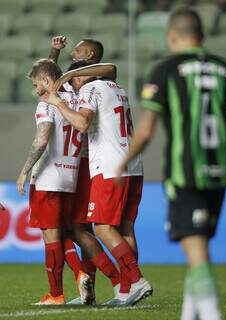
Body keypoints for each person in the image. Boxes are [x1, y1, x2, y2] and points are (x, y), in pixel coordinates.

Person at [116, 7, 226, 320]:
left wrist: (122, 164)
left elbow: (145, 131)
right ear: (203, 35)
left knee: (197, 254)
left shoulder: (165, 70)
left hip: (185, 176)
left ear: (171, 36)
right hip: (219, 175)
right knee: (197, 248)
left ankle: (212, 314)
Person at [42, 60, 153, 306]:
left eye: (73, 80)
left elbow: (82, 123)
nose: (73, 84)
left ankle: (136, 280)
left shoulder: (90, 90)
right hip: (133, 166)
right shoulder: (117, 88)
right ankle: (125, 290)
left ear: (82, 77)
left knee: (102, 227)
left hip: (110, 166)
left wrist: (58, 103)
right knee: (125, 230)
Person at [16, 59, 94, 305]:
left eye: (36, 83)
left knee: (50, 238)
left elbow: (41, 140)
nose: (35, 89)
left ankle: (56, 293)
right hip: (70, 177)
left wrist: (24, 171)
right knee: (61, 234)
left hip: (48, 179)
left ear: (46, 81)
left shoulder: (45, 105)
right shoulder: (73, 100)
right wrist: (54, 53)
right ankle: (80, 274)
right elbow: (52, 70)